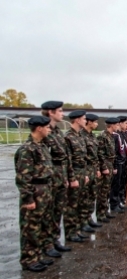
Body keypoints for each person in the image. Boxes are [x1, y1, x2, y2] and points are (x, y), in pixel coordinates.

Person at [15, 116, 54, 272]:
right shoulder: (27, 149)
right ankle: (28, 259)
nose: (49, 129)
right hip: (34, 191)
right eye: (47, 127)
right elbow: (23, 177)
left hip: (45, 189)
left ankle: (38, 255)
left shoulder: (41, 146)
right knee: (30, 227)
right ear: (39, 128)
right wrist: (28, 198)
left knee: (42, 224)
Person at [41, 100, 71, 254]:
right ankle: (46, 245)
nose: (62, 113)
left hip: (60, 178)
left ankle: (54, 240)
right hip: (49, 180)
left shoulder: (58, 132)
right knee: (48, 214)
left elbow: (65, 157)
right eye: (59, 111)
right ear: (50, 112)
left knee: (57, 211)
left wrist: (67, 177)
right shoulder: (43, 133)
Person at [64, 110, 90, 242]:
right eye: (84, 119)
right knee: (71, 204)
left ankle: (78, 228)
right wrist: (71, 178)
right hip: (73, 172)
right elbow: (67, 160)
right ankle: (70, 233)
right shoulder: (68, 137)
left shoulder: (80, 136)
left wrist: (85, 174)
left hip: (81, 172)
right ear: (77, 120)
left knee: (80, 202)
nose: (86, 121)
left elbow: (83, 158)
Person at [80, 113, 102, 229]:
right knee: (84, 196)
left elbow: (96, 155)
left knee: (92, 194)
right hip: (86, 169)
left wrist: (98, 169)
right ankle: (83, 221)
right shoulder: (81, 136)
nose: (97, 124)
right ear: (89, 122)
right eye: (95, 122)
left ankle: (89, 218)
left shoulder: (93, 136)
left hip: (93, 169)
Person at [97, 117, 119, 223]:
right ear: (111, 125)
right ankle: (100, 214)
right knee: (102, 191)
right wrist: (104, 167)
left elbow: (112, 153)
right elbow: (100, 153)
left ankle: (105, 211)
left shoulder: (110, 136)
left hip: (110, 164)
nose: (117, 126)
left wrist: (113, 166)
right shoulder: (103, 136)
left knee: (107, 190)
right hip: (105, 165)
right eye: (116, 125)